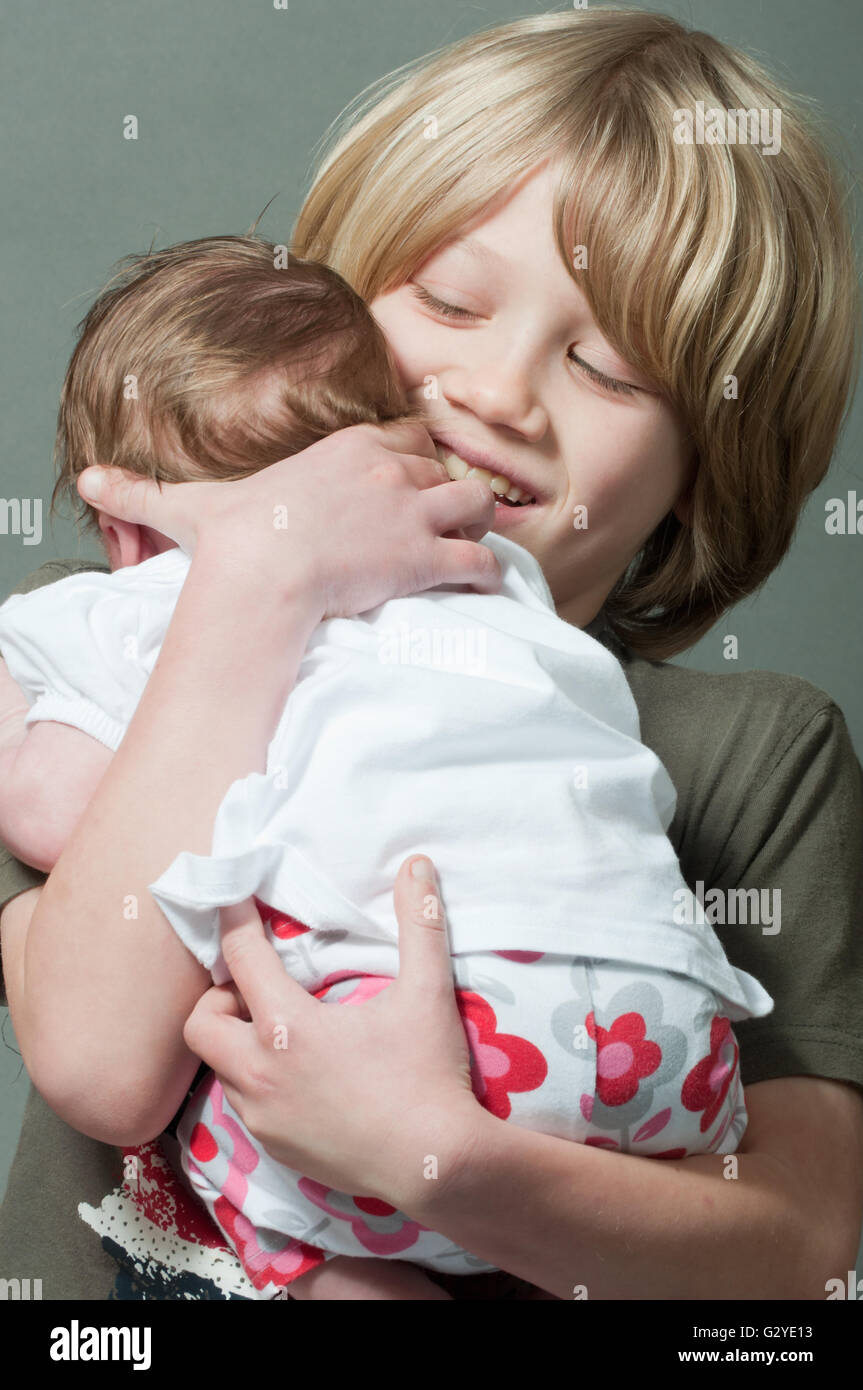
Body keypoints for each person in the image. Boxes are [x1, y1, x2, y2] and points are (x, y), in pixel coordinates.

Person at [1, 9, 863, 1301]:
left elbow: (796, 1241)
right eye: (450, 301)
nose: (496, 392)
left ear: (704, 472)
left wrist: (448, 1159)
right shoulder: (116, 640)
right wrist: (267, 572)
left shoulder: (757, 750)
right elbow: (102, 1058)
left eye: (607, 369)